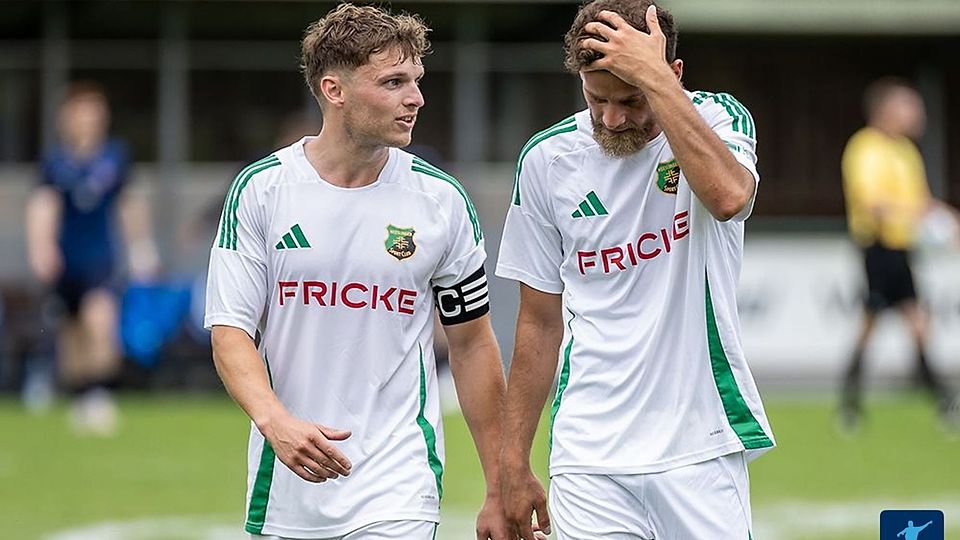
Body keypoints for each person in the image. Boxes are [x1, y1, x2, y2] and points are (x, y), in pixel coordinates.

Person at [204, 4, 509, 539]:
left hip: (399, 482)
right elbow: (230, 330)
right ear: (334, 90)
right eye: (393, 82)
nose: (415, 98)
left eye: (415, 80)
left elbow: (472, 345)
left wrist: (501, 483)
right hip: (287, 485)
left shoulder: (441, 200)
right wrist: (276, 421)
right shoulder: (263, 190)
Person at [496, 2, 775, 538]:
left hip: (700, 445)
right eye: (595, 98)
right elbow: (538, 321)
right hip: (588, 453)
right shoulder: (547, 159)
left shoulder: (718, 118)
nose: (611, 118)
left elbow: (729, 198)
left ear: (673, 73)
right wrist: (513, 463)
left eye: (631, 99)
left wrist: (655, 80)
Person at [25, 82, 158, 434]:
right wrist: (42, 247)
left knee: (100, 321)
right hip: (66, 260)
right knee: (71, 333)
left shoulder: (115, 156)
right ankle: (81, 396)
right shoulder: (55, 161)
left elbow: (129, 203)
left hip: (101, 258)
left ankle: (100, 394)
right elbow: (43, 205)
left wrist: (141, 247)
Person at [839, 77, 959, 432]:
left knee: (916, 321)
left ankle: (940, 398)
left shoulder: (906, 151)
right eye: (909, 106)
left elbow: (920, 201)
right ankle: (851, 401)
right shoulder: (865, 148)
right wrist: (917, 216)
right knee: (876, 321)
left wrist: (947, 219)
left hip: (902, 248)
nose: (916, 114)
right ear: (888, 109)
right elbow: (872, 203)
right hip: (879, 248)